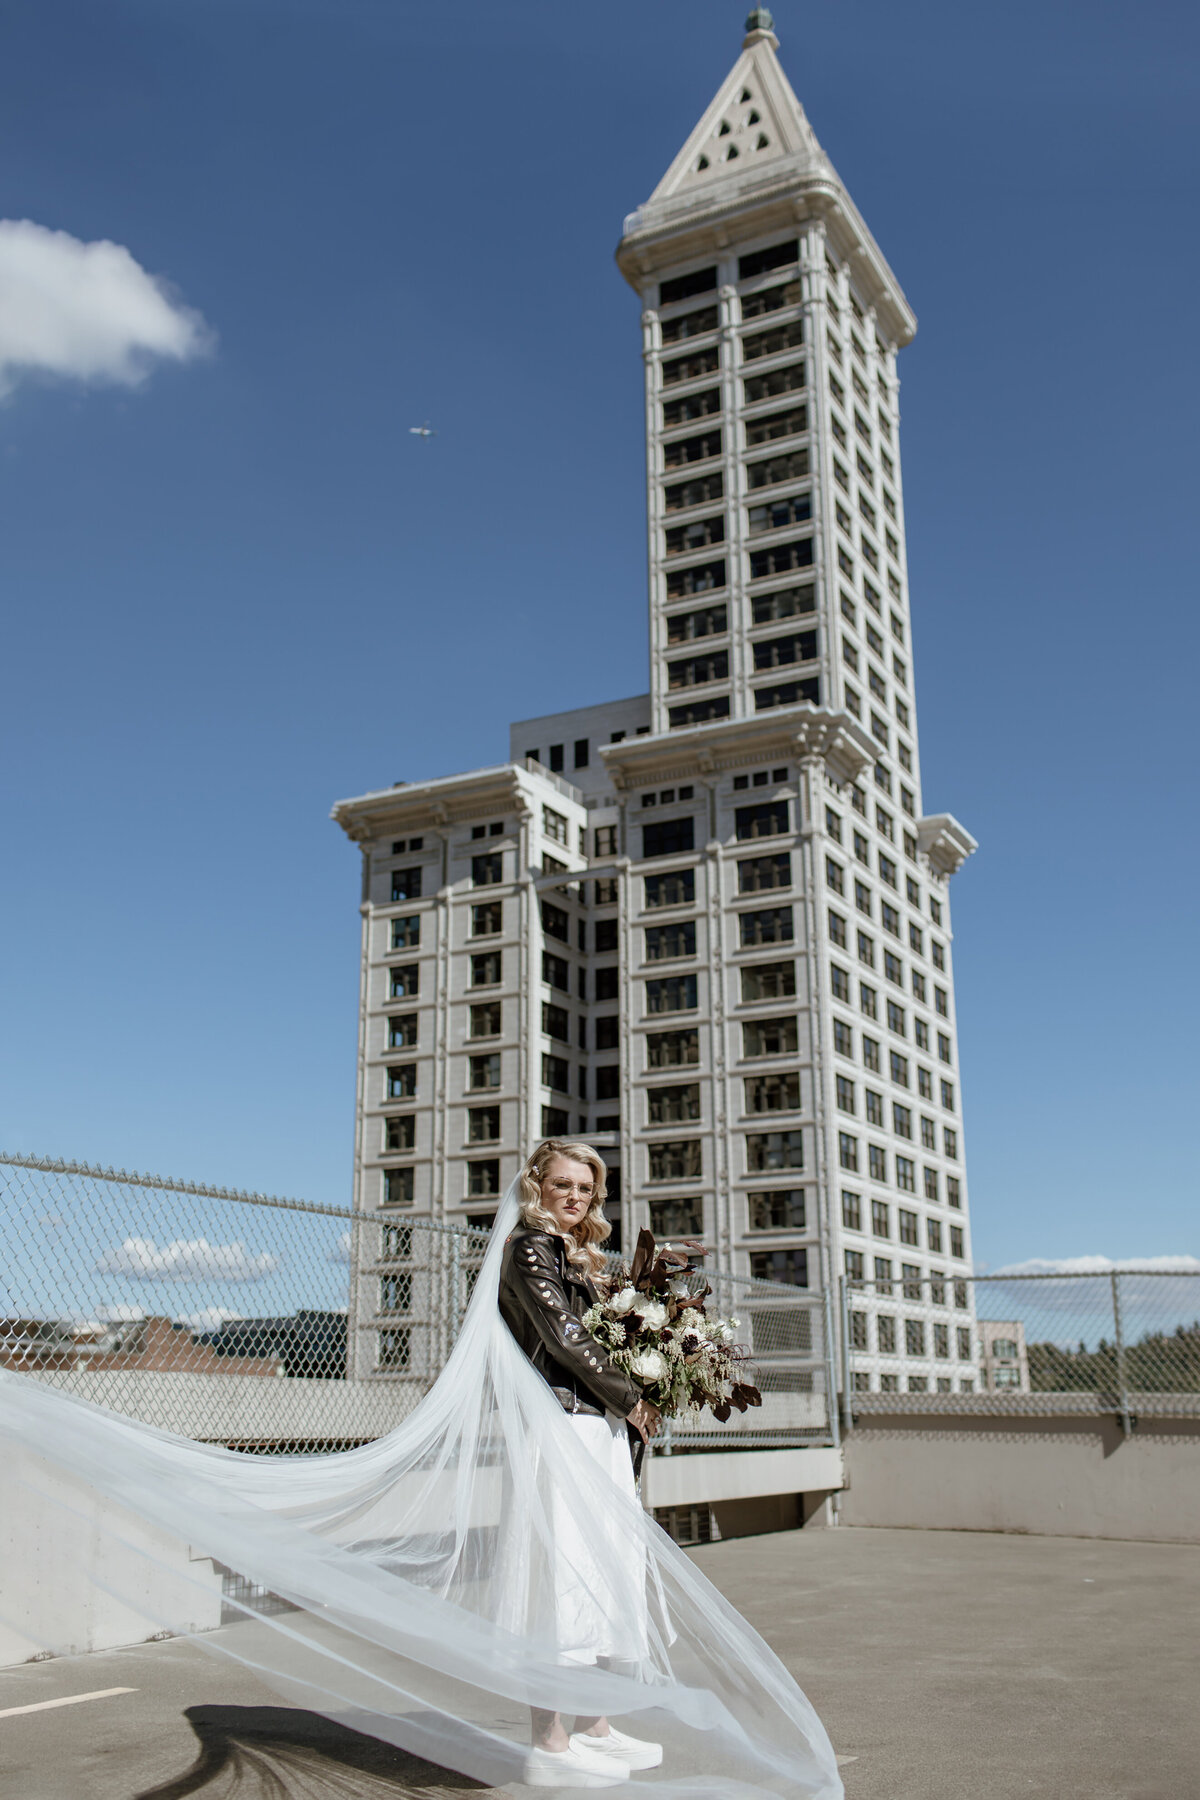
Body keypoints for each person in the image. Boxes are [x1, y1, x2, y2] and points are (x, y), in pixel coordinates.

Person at [498, 1138, 664, 1787]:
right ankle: (550, 1743)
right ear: (537, 1185)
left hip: (595, 1429)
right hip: (563, 1424)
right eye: (562, 1184)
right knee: (562, 1573)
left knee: (602, 1572)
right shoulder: (529, 1249)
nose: (574, 1197)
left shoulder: (576, 1252)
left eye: (584, 1189)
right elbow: (562, 1336)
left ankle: (593, 1726)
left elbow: (597, 1332)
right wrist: (631, 1398)